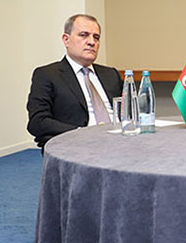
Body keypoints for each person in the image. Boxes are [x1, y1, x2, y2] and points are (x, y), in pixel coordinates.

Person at [27, 14, 123, 149]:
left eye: (96, 37)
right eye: (83, 35)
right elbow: (38, 122)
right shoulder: (47, 74)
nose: (92, 42)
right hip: (80, 144)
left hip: (120, 141)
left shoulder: (110, 74)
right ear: (66, 40)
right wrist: (82, 133)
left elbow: (130, 112)